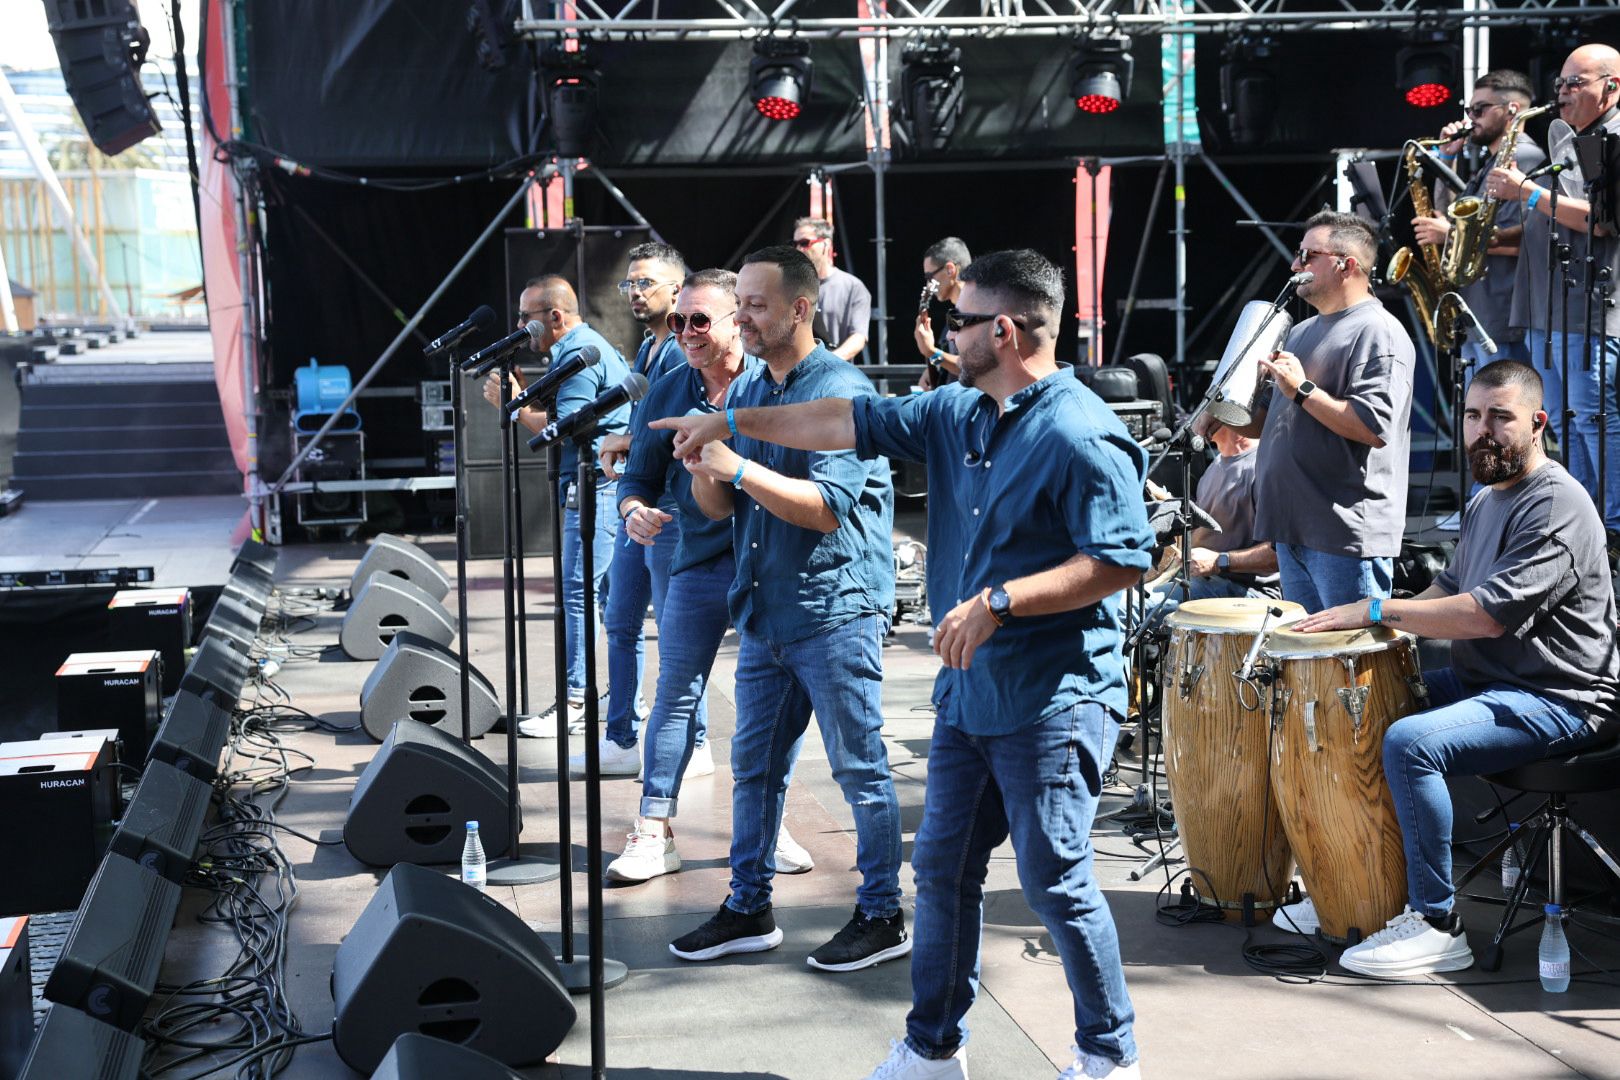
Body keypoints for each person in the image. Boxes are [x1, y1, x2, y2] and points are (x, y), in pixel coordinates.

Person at [657, 249, 1151, 1080]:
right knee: (944, 872)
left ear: (1002, 329)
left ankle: (1109, 1056)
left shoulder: (1079, 430)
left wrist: (1001, 602)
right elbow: (846, 423)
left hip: (1054, 698)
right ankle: (932, 1049)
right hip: (971, 698)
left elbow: (1123, 559)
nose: (945, 334)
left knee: (1056, 881)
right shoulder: (957, 410)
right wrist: (733, 424)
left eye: (959, 322)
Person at [1290, 360, 1616, 976]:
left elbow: (1484, 615)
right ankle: (1355, 893)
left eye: (1500, 417)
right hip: (1489, 681)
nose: (1482, 430)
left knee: (1411, 742)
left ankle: (1437, 923)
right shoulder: (1485, 499)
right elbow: (1448, 584)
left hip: (1561, 699)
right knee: (1356, 701)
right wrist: (1374, 630)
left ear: (1537, 423)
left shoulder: (1556, 504)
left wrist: (1378, 606)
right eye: (1472, 416)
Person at [653, 246, 905, 973]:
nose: (744, 320)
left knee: (860, 769)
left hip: (834, 609)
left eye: (756, 305)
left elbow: (828, 510)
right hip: (766, 612)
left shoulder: (842, 390)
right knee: (754, 770)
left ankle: (883, 914)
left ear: (802, 307)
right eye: (741, 307)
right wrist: (704, 471)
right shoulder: (750, 388)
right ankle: (748, 906)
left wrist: (734, 461)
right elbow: (717, 505)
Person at [608, 269, 784, 881]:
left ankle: (768, 824)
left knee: (771, 699)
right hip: (700, 559)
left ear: (741, 320)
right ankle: (654, 827)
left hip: (774, 561)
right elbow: (637, 476)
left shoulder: (776, 384)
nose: (684, 333)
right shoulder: (669, 386)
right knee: (676, 690)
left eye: (699, 321)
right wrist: (635, 511)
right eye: (678, 321)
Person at [1232, 210, 1416, 613]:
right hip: (1291, 531)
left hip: (1342, 535)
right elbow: (1267, 423)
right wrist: (1227, 405)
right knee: (1311, 671)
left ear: (1345, 264)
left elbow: (1373, 426)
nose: (1294, 265)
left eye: (1306, 255)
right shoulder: (1300, 332)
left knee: (1350, 667)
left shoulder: (1377, 330)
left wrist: (1302, 389)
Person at [575, 242, 712, 777]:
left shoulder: (681, 351)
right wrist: (624, 440)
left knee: (676, 631)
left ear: (677, 290)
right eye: (629, 284)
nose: (634, 292)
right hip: (643, 502)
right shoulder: (651, 349)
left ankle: (694, 742)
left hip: (672, 509)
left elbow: (682, 430)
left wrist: (625, 443)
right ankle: (622, 734)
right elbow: (646, 428)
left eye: (645, 283)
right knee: (620, 615)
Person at [483, 275, 630, 737]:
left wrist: (514, 408)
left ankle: (575, 700)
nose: (519, 326)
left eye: (526, 318)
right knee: (605, 598)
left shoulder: (577, 352)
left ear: (555, 317)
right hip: (598, 484)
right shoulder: (577, 348)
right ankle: (622, 696)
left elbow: (570, 425)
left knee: (580, 593)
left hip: (598, 485)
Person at [1492, 43, 1620, 546]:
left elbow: (1603, 221)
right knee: (1565, 423)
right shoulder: (1577, 137)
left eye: (1576, 83)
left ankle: (1611, 529)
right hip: (1554, 308)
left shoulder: (1613, 139)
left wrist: (1525, 190)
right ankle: (1587, 523)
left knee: (1594, 419)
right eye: (1561, 83)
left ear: (1612, 87)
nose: (1563, 93)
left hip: (1590, 307)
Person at [1411, 69, 1545, 368]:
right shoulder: (1490, 162)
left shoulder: (1523, 158)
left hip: (1502, 312)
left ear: (1512, 109)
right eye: (1469, 110)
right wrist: (1447, 157)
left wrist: (1451, 236)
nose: (1471, 117)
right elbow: (1448, 214)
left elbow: (1520, 236)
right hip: (1481, 310)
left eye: (1480, 109)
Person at [1144, 422, 1279, 618]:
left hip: (1247, 594)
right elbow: (1203, 529)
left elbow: (1280, 554)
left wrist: (1219, 561)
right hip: (1205, 582)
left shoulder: (1264, 466)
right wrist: (1165, 502)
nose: (1196, 420)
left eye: (1208, 410)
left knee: (1122, 609)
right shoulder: (1215, 466)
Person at [793, 217, 872, 362]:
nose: (799, 249)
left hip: (835, 376)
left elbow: (859, 337)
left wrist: (828, 362)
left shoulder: (853, 286)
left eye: (804, 243)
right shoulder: (791, 286)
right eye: (796, 244)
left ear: (825, 244)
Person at [914, 237, 971, 386]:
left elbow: (970, 367)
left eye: (929, 276)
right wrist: (934, 366)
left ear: (950, 269)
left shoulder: (975, 310)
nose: (928, 284)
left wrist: (932, 353)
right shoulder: (955, 312)